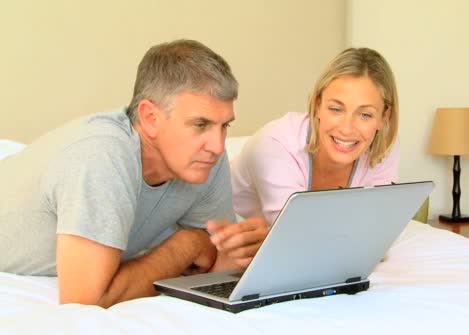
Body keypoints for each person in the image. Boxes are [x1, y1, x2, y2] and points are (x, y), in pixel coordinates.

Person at [0, 39, 268, 308]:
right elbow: (85, 301)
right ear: (150, 118)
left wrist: (240, 251)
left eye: (224, 126)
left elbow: (211, 263)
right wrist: (184, 246)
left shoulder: (205, 158)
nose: (218, 146)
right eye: (200, 124)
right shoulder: (101, 155)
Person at [231, 47, 400, 225]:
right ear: (318, 104)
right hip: (226, 233)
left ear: (384, 117)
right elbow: (296, 231)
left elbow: (376, 222)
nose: (346, 129)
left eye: (365, 115)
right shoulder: (275, 144)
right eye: (336, 109)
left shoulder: (382, 147)